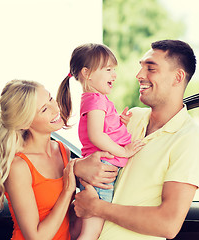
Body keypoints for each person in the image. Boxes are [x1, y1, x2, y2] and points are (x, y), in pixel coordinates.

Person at [73, 40, 199, 240]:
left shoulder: (189, 141)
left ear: (177, 77)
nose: (139, 75)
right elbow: (94, 156)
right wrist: (78, 167)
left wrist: (97, 207)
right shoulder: (131, 119)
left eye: (150, 68)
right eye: (141, 67)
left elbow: (168, 224)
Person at [57, 43, 144, 240]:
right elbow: (96, 136)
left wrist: (119, 124)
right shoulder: (95, 100)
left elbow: (102, 130)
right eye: (108, 70)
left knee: (89, 230)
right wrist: (124, 151)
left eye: (114, 69)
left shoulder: (97, 99)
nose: (114, 75)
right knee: (91, 233)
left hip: (101, 169)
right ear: (87, 73)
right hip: (101, 171)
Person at [0, 80, 76, 240]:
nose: (55, 109)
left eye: (50, 99)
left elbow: (66, 218)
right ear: (25, 123)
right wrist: (68, 191)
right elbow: (36, 237)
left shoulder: (63, 150)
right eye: (44, 109)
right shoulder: (19, 167)